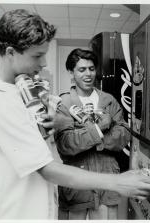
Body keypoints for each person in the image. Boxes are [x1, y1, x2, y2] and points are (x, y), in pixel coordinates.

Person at [0, 9, 150, 219]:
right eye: (38, 56)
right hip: (20, 212)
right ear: (11, 52)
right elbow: (49, 165)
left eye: (92, 69)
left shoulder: (22, 92)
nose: (44, 63)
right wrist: (118, 181)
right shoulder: (1, 102)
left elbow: (122, 134)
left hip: (40, 205)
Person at [54, 48, 129, 220]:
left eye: (91, 69)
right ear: (71, 73)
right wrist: (100, 128)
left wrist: (91, 136)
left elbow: (124, 135)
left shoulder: (108, 100)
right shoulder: (64, 103)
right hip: (76, 184)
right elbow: (66, 144)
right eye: (81, 70)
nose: (88, 74)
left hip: (107, 180)